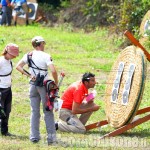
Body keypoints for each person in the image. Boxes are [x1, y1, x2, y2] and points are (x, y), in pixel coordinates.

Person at [16, 36, 58, 144]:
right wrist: (56, 83)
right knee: (48, 111)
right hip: (43, 85)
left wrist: (30, 75)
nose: (44, 45)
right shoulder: (46, 56)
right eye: (43, 43)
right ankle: (51, 139)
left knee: (34, 112)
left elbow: (18, 66)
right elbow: (53, 70)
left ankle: (34, 137)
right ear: (41, 44)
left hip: (33, 84)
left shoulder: (28, 55)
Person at [0, 43, 19, 136]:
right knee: (1, 111)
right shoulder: (0, 61)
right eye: (13, 55)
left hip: (8, 89)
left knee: (7, 110)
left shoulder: (9, 61)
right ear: (7, 52)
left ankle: (4, 131)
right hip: (0, 89)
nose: (14, 57)